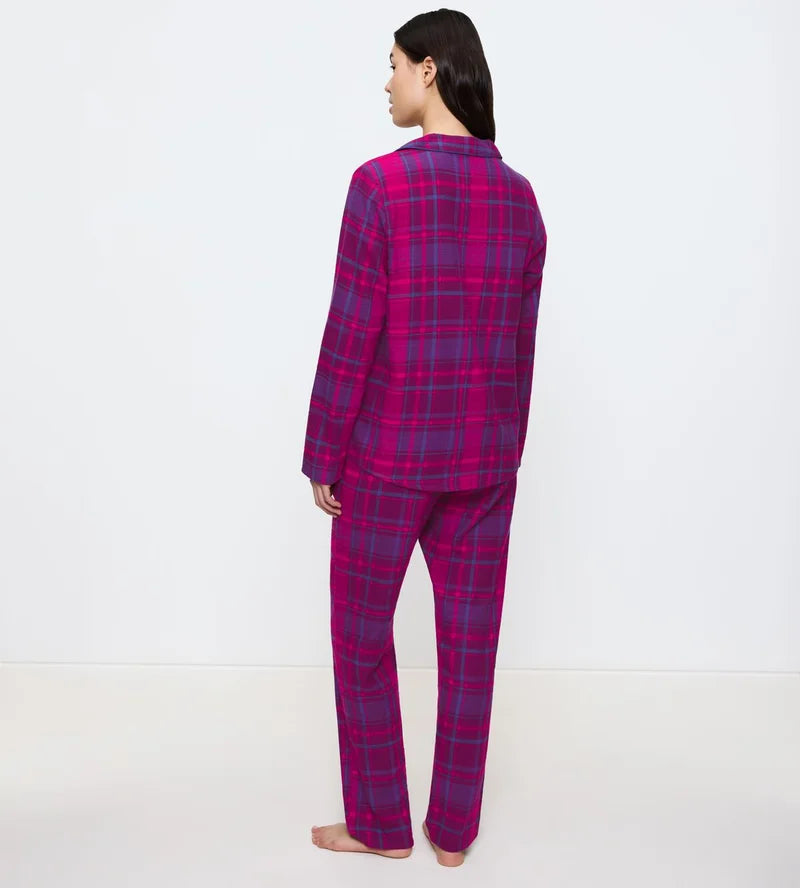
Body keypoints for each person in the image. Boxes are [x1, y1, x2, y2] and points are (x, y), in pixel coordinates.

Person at [302, 9, 547, 868]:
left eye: (395, 64)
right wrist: (504, 451)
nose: (388, 82)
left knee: (361, 640)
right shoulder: (520, 198)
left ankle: (380, 825)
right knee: (470, 649)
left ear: (431, 70)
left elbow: (351, 330)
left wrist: (323, 453)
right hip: (484, 462)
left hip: (386, 461)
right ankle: (453, 834)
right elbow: (520, 347)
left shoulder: (381, 186)